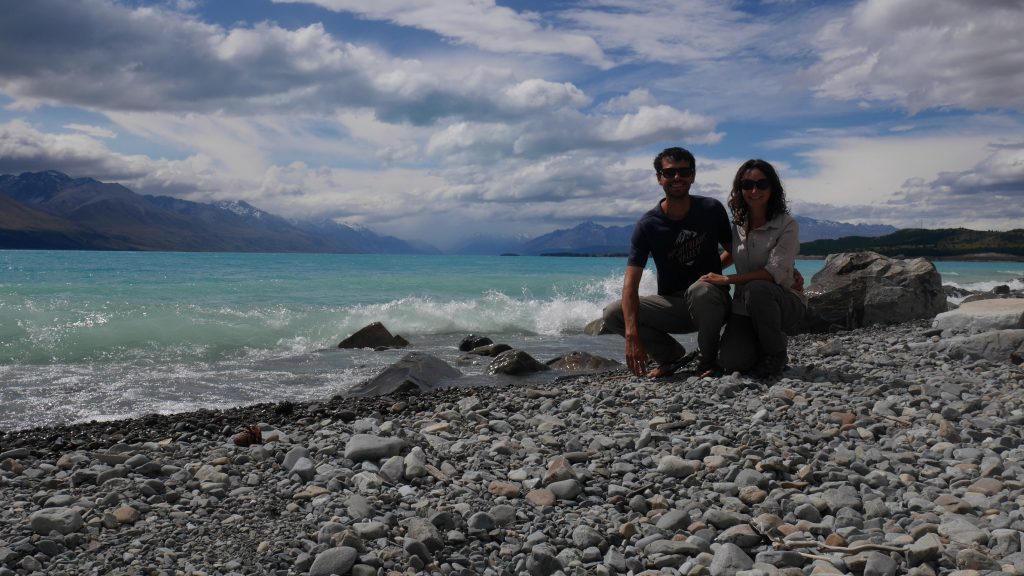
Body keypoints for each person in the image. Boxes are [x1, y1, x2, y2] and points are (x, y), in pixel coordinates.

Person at [602, 146, 733, 378]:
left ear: (692, 175)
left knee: (701, 290)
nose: (677, 178)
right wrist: (632, 334)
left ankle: (708, 360)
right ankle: (670, 355)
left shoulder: (711, 209)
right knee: (613, 313)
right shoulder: (648, 225)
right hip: (675, 305)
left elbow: (737, 253)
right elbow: (630, 284)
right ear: (659, 178)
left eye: (683, 172)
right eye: (670, 173)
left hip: (713, 302)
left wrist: (716, 274)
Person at [698, 159, 806, 377]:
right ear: (740, 189)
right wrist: (709, 271)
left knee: (757, 288)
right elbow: (733, 252)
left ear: (772, 187)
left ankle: (776, 352)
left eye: (761, 184)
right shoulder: (739, 223)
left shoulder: (787, 225)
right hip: (744, 305)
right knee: (731, 361)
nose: (754, 190)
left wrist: (726, 280)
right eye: (747, 185)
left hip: (782, 301)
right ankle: (761, 340)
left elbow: (771, 273)